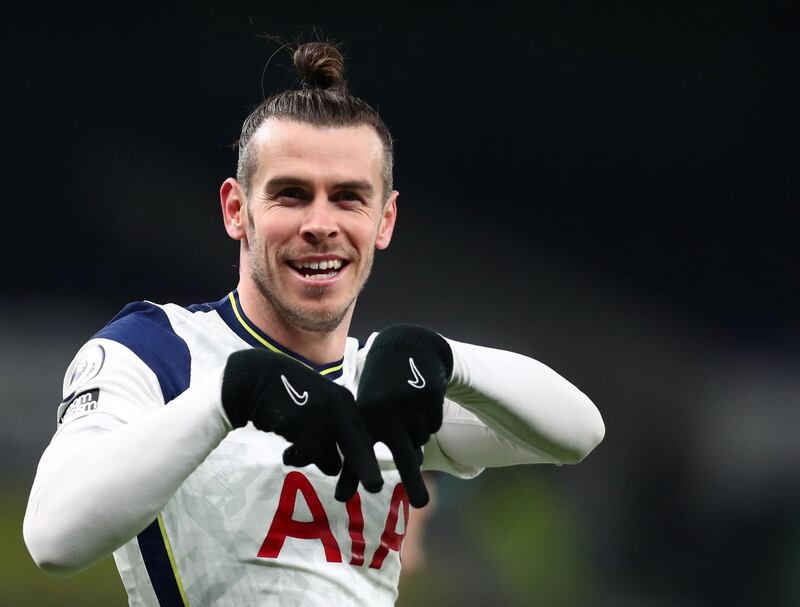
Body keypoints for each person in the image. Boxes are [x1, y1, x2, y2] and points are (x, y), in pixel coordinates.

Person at [23, 41, 605, 606]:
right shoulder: (158, 351)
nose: (320, 223)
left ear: (386, 219)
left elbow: (579, 433)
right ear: (236, 210)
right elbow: (54, 539)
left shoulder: (385, 387)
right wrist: (229, 398)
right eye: (292, 195)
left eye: (348, 198)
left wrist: (447, 360)